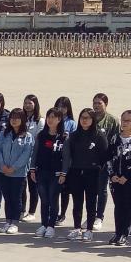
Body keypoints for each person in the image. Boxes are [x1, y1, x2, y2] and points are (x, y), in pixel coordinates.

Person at [59, 108, 109, 242]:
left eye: (87, 118)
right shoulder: (74, 136)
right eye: (82, 117)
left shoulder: (99, 135)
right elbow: (68, 155)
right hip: (76, 172)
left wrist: (97, 167)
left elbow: (104, 155)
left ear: (93, 120)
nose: (84, 120)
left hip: (92, 173)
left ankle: (89, 230)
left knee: (91, 202)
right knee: (77, 202)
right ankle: (76, 228)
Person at [106, 110, 131, 246]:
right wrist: (112, 175)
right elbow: (108, 157)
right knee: (118, 206)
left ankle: (124, 234)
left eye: (128, 121)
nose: (125, 123)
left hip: (130, 180)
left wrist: (127, 176)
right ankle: (117, 232)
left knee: (128, 206)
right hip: (115, 180)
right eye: (123, 120)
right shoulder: (115, 138)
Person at [0, 107, 34, 234]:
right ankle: (8, 221)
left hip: (18, 174)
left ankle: (15, 222)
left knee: (16, 198)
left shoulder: (28, 136)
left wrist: (14, 167)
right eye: (12, 118)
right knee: (7, 197)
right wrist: (2, 165)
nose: (14, 120)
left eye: (17, 118)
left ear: (22, 120)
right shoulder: (4, 134)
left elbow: (26, 155)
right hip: (3, 171)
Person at [30, 108, 66, 239]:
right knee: (44, 199)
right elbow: (35, 152)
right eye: (48, 117)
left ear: (59, 119)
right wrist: (32, 169)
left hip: (56, 173)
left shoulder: (64, 137)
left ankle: (51, 226)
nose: (50, 120)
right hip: (41, 171)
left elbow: (66, 157)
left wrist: (63, 173)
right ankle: (44, 224)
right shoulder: (41, 135)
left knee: (53, 198)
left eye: (53, 117)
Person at [91, 93, 118, 231]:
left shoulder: (112, 121)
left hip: (104, 161)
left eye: (99, 103)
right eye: (94, 103)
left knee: (101, 189)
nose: (96, 105)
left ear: (105, 104)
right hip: (89, 161)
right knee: (90, 189)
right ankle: (90, 215)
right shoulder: (89, 117)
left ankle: (99, 217)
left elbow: (116, 141)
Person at [53, 96, 76, 224]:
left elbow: (75, 139)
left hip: (66, 159)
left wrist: (68, 136)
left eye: (64, 107)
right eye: (59, 106)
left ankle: (62, 214)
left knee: (65, 190)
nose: (61, 109)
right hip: (54, 158)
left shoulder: (71, 123)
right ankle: (53, 212)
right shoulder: (52, 119)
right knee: (53, 189)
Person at [21, 94, 43, 222]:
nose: (27, 105)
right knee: (21, 185)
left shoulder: (40, 120)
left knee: (32, 185)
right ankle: (22, 210)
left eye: (30, 103)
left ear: (35, 104)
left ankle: (31, 212)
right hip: (21, 156)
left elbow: (39, 139)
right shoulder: (21, 118)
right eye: (25, 103)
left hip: (33, 157)